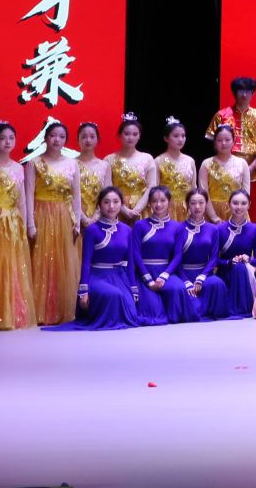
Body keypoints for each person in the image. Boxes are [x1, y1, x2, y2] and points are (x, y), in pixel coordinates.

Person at [46, 185, 144, 331]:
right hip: (98, 277)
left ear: (121, 204)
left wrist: (134, 289)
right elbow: (86, 263)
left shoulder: (127, 230)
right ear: (99, 205)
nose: (111, 206)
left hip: (119, 278)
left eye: (116, 202)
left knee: (130, 309)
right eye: (106, 202)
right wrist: (83, 292)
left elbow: (130, 264)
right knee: (113, 295)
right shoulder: (92, 230)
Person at [25, 121, 81, 325]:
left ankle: (62, 309)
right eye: (53, 135)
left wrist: (77, 222)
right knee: (42, 261)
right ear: (46, 138)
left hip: (64, 216)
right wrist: (30, 223)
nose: (57, 140)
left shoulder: (72, 163)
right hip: (41, 214)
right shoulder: (34, 163)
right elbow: (28, 194)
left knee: (62, 263)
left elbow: (76, 195)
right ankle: (41, 311)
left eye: (61, 136)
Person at [0, 121, 36, 331]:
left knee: (13, 266)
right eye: (2, 138)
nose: (7, 142)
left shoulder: (18, 168)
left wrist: (25, 223)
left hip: (13, 221)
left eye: (11, 138)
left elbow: (22, 199)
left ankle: (12, 312)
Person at [206, 75, 256, 206]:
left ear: (253, 93)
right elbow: (213, 141)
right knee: (225, 205)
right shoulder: (222, 115)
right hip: (225, 168)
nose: (244, 95)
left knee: (249, 206)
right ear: (234, 92)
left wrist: (252, 166)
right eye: (240, 90)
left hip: (252, 169)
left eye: (248, 91)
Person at [171, 189, 228, 322]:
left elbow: (214, 257)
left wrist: (202, 277)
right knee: (193, 308)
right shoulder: (179, 228)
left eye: (201, 203)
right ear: (187, 205)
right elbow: (175, 258)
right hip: (182, 273)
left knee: (217, 283)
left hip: (204, 273)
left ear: (206, 204)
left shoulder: (213, 229)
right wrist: (185, 281)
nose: (197, 207)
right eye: (193, 203)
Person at [133, 185, 181, 325]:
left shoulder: (176, 226)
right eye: (154, 201)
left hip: (166, 272)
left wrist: (165, 276)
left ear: (169, 202)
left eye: (162, 200)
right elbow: (135, 253)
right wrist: (148, 280)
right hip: (144, 272)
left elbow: (178, 255)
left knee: (178, 289)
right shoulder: (140, 225)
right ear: (149, 203)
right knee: (152, 311)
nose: (158, 204)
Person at [217, 189, 256, 317]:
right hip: (225, 273)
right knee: (237, 268)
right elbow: (214, 260)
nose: (239, 207)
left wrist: (248, 259)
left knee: (240, 268)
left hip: (246, 275)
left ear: (249, 205)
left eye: (243, 203)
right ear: (229, 204)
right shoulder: (219, 229)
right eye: (235, 203)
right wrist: (229, 262)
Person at [106, 113, 156, 218]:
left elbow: (151, 186)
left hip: (142, 208)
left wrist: (137, 209)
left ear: (139, 136)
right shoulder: (109, 159)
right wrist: (123, 209)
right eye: (126, 134)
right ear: (119, 135)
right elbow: (108, 187)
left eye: (135, 134)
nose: (130, 137)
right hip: (115, 208)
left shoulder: (147, 158)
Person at [201, 124, 253, 223]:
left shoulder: (242, 163)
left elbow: (246, 193)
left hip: (237, 210)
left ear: (234, 141)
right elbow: (204, 193)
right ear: (214, 142)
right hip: (212, 212)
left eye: (227, 140)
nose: (223, 143)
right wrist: (213, 217)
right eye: (219, 140)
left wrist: (239, 212)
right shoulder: (206, 164)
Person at [155, 117, 198, 214]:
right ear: (166, 138)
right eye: (176, 136)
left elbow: (193, 187)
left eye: (183, 136)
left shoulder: (190, 160)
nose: (180, 139)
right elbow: (155, 188)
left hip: (187, 208)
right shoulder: (158, 161)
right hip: (165, 208)